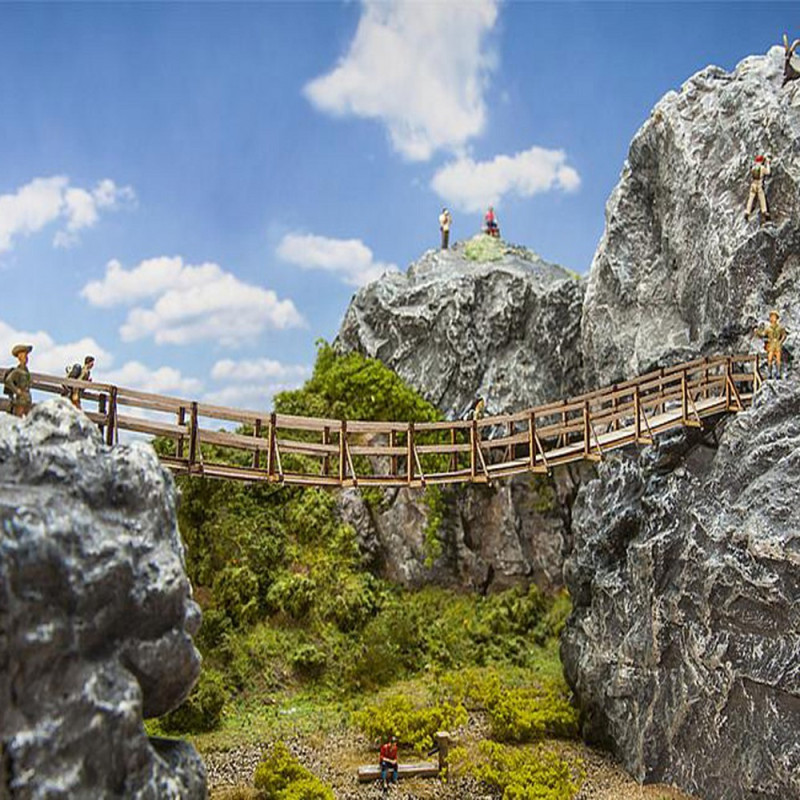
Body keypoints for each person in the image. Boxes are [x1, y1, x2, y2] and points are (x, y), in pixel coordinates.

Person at [753, 310, 787, 379]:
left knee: (778, 359)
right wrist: (757, 333)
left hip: (777, 344)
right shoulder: (768, 328)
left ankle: (778, 373)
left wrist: (781, 341)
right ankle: (769, 374)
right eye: (771, 317)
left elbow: (784, 335)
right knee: (770, 358)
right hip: (771, 345)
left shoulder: (780, 327)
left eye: (774, 317)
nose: (772, 318)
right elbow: (763, 334)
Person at [4, 344, 33, 417]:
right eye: (24, 356)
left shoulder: (26, 371)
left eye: (26, 356)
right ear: (20, 357)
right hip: (20, 400)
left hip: (28, 399)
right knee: (18, 419)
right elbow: (8, 381)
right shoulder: (17, 371)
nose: (26, 358)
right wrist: (17, 391)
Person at [745, 155, 771, 223]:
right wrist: (767, 163)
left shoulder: (754, 168)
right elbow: (768, 172)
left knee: (751, 198)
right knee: (762, 198)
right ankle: (764, 211)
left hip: (753, 184)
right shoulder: (762, 168)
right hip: (759, 185)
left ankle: (747, 211)